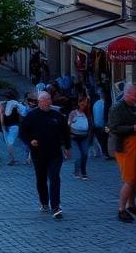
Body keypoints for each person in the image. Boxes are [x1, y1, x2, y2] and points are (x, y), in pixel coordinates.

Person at [19, 91, 71, 219]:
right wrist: (30, 141)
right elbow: (22, 132)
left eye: (49, 100)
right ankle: (44, 202)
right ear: (39, 102)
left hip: (55, 152)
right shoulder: (31, 116)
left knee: (54, 178)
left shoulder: (57, 115)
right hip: (39, 153)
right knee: (41, 179)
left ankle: (56, 206)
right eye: (44, 100)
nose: (47, 102)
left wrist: (67, 147)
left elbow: (65, 132)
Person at [108, 82, 136, 223]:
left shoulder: (132, 107)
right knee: (129, 179)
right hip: (124, 146)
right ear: (128, 93)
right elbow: (113, 128)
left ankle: (131, 204)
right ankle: (121, 209)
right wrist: (132, 128)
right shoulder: (117, 108)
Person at [68, 94, 92, 180]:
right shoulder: (73, 113)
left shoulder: (88, 114)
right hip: (74, 137)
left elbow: (90, 126)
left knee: (85, 154)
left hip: (84, 137)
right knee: (78, 156)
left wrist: (90, 136)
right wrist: (68, 134)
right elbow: (68, 124)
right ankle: (76, 171)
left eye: (86, 103)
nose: (84, 105)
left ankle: (84, 172)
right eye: (82, 103)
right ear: (79, 103)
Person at [92, 91, 111, 159]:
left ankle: (104, 152)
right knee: (107, 137)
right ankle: (107, 153)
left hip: (97, 126)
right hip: (105, 126)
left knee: (102, 139)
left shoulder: (95, 103)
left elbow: (94, 115)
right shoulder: (107, 103)